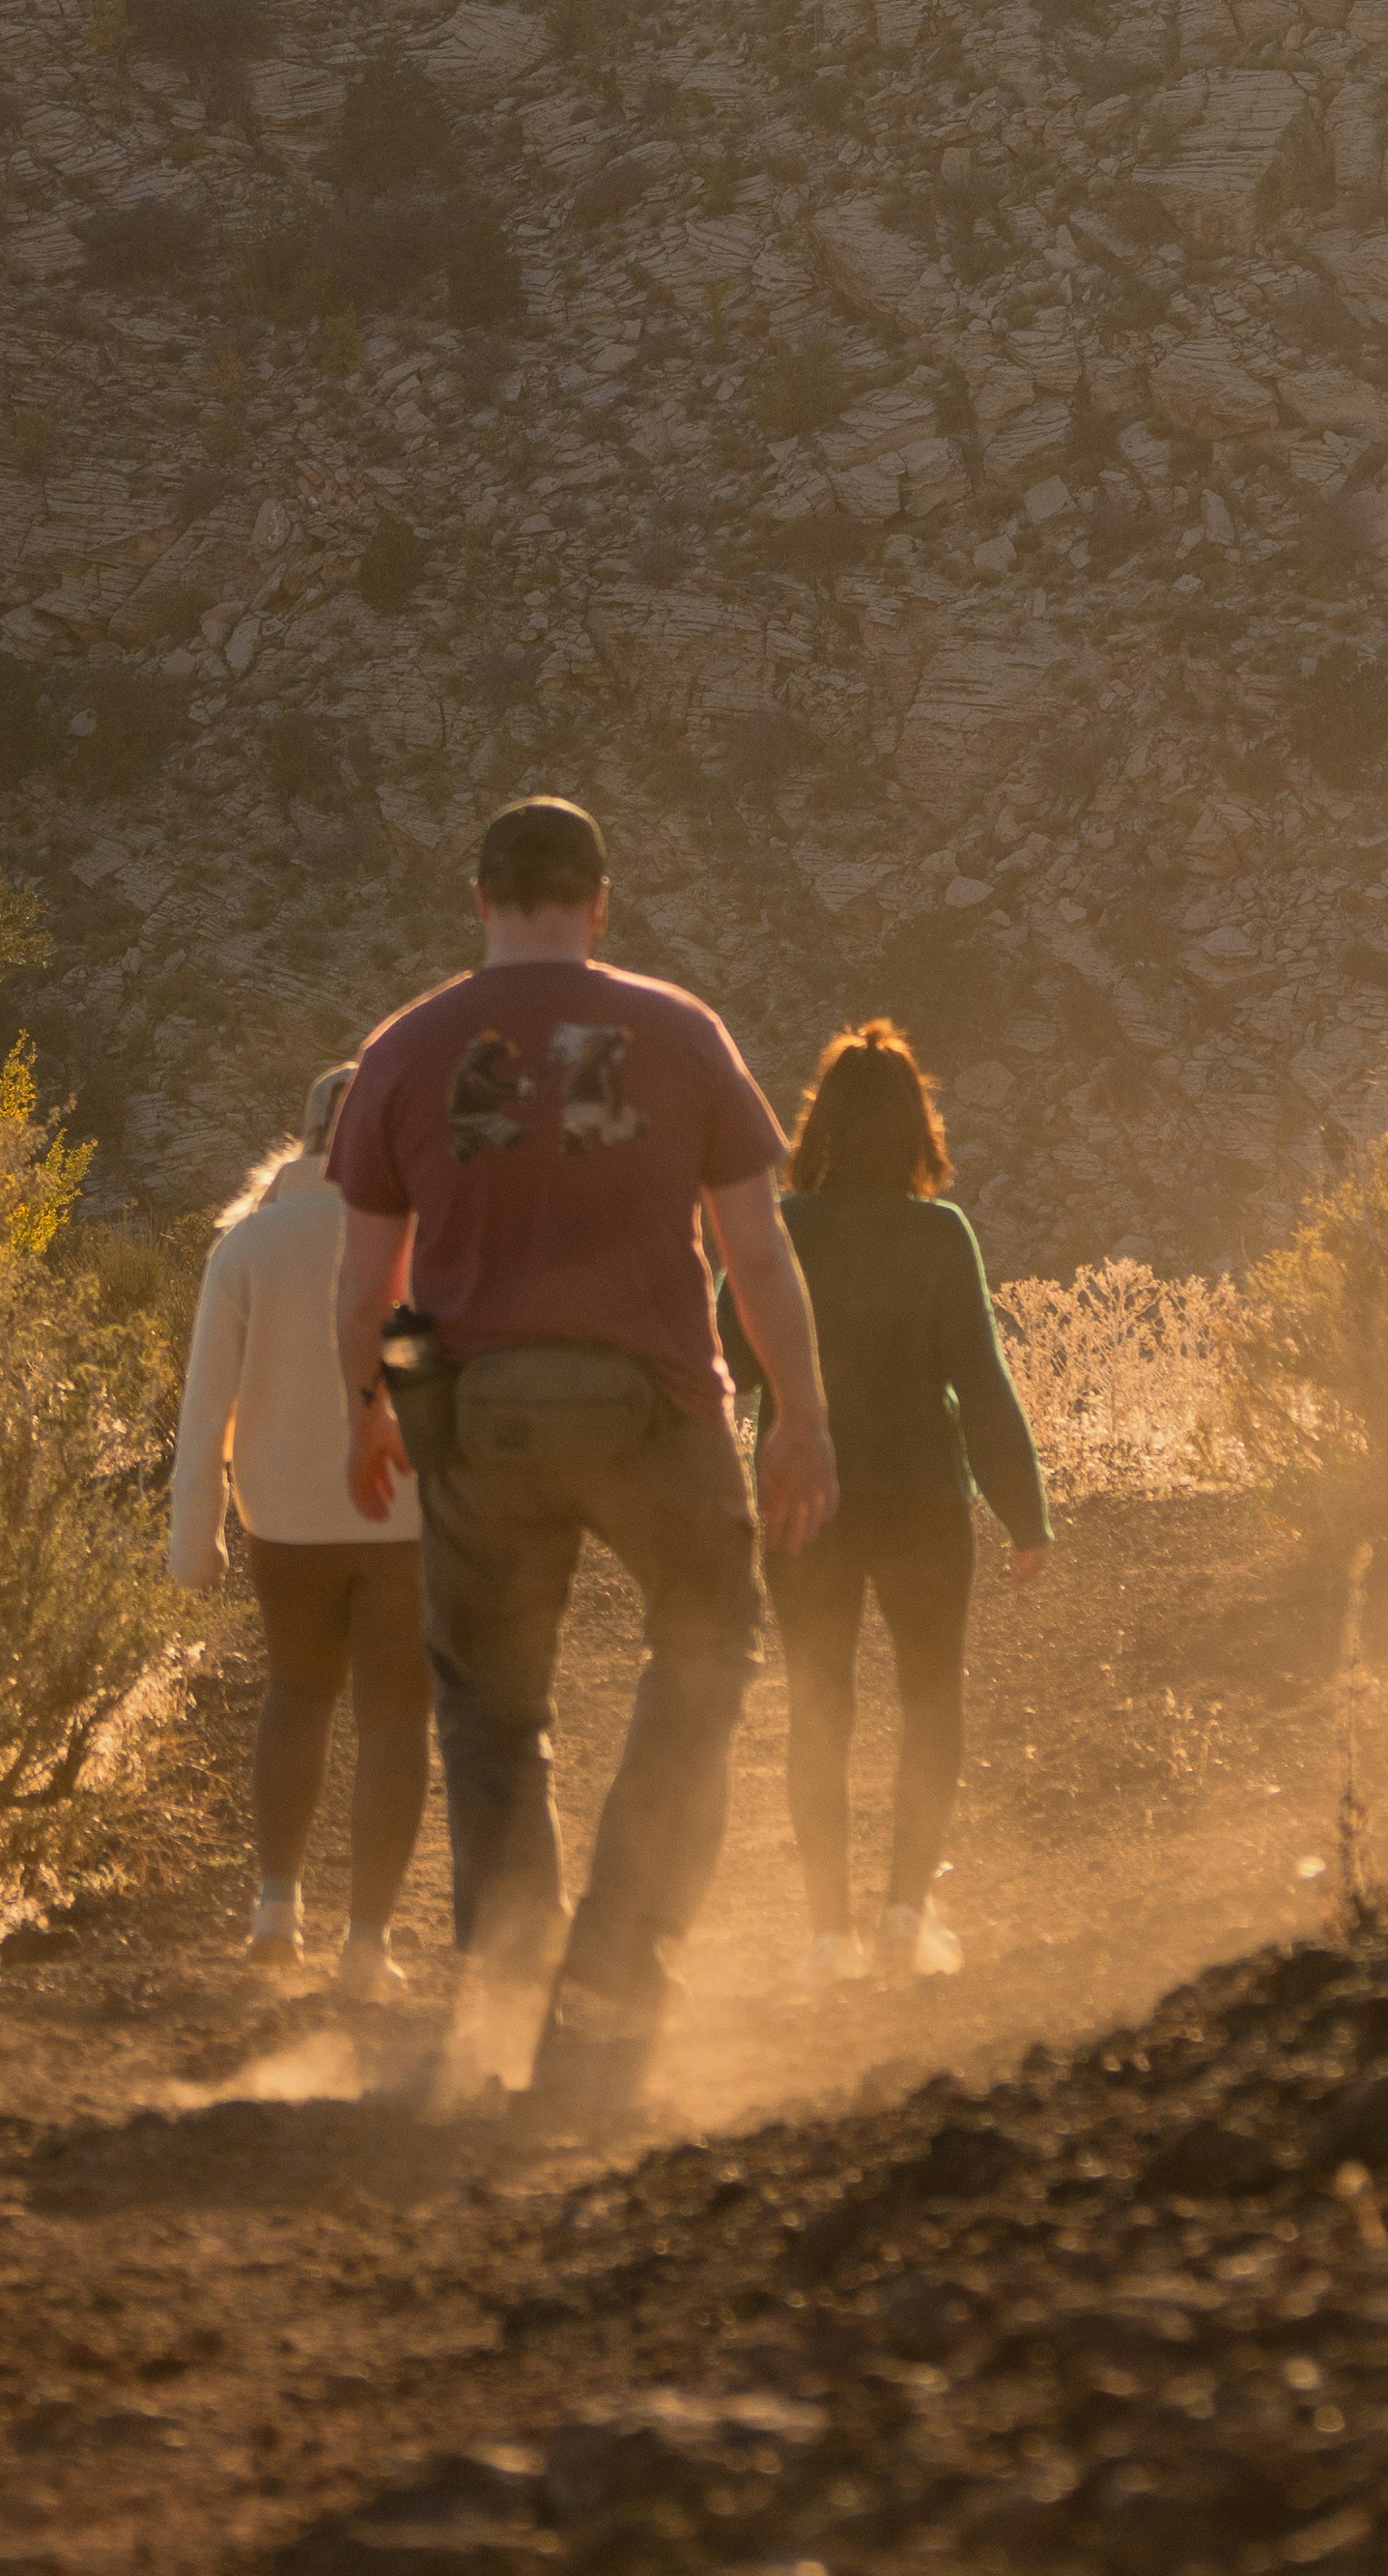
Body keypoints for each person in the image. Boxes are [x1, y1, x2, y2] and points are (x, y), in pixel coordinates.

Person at [331, 791, 837, 2123]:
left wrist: (373, 1409)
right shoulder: (678, 1034)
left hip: (481, 1421)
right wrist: (802, 1416)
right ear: (600, 903)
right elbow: (759, 1255)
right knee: (707, 1656)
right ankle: (614, 1973)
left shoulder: (402, 1049)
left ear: (481, 900)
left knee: (491, 1712)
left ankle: (507, 1983)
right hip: (656, 1411)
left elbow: (367, 1281)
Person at [731, 1017, 1048, 1984]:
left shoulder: (781, 1231)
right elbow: (979, 1383)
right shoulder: (937, 1234)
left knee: (818, 1708)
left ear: (816, 1125)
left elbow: (727, 1361)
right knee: (929, 1702)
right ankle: (906, 1917)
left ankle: (829, 1936)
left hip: (801, 1503)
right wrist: (1022, 1514)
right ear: (917, 1126)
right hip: (920, 1499)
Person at [167, 1059, 430, 1988]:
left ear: (309, 1134)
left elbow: (206, 1406)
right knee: (397, 1718)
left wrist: (191, 1536)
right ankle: (368, 1945)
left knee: (296, 1695)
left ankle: (276, 1908)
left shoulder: (249, 1247)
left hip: (281, 1515)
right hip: (401, 1514)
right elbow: (420, 1384)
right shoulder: (411, 1245)